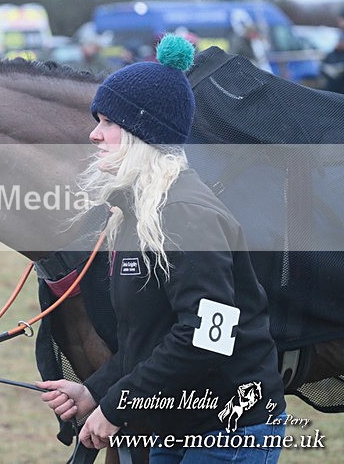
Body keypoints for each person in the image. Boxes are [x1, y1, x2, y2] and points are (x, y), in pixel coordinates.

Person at [37, 34, 287, 463]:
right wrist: (94, 391)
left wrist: (117, 406)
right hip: (174, 425)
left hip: (228, 432)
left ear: (142, 131)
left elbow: (208, 337)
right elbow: (149, 336)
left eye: (108, 122)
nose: (94, 135)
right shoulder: (136, 212)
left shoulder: (185, 213)